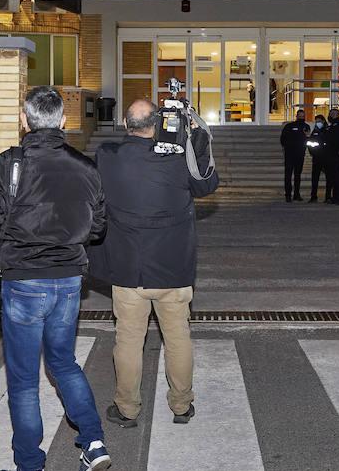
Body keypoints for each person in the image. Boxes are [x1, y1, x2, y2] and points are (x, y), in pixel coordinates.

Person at [0, 86, 110, 471]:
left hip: (24, 283)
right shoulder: (87, 166)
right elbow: (98, 228)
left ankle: (30, 463)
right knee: (64, 364)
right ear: (64, 121)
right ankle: (94, 442)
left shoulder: (9, 163)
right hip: (68, 282)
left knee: (24, 379)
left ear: (24, 120)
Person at [90, 99, 219, 430]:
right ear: (157, 123)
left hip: (128, 270)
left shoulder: (107, 157)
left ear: (124, 122)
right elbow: (206, 183)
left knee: (129, 340)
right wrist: (195, 139)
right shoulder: (176, 160)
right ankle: (181, 405)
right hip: (173, 269)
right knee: (177, 337)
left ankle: (128, 409)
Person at [279, 109, 310, 201]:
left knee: (297, 175)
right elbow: (283, 139)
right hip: (290, 154)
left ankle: (296, 194)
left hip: (300, 154)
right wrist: (287, 147)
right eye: (299, 115)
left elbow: (307, 138)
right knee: (288, 175)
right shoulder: (289, 126)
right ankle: (288, 195)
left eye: (302, 116)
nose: (301, 117)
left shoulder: (306, 126)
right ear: (296, 116)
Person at [306, 114, 329, 203]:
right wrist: (313, 153)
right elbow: (310, 143)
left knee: (329, 178)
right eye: (316, 121)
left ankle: (328, 197)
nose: (317, 123)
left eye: (319, 121)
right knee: (315, 178)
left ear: (323, 121)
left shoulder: (328, 130)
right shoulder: (315, 131)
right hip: (316, 157)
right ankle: (313, 196)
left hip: (326, 158)